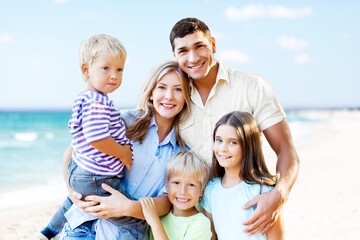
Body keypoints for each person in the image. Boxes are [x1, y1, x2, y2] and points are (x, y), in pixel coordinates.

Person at [169, 17, 300, 235]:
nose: (193, 57)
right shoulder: (174, 98)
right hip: (194, 217)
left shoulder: (252, 87)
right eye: (183, 51)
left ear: (213, 44)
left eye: (199, 46)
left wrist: (279, 194)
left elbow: (286, 150)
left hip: (246, 209)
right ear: (175, 55)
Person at [59, 60, 192, 239]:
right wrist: (73, 193)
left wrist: (128, 207)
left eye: (178, 89)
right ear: (151, 92)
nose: (169, 96)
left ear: (186, 97)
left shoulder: (181, 151)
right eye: (162, 87)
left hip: (126, 234)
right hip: (84, 225)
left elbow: (167, 202)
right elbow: (71, 154)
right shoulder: (123, 121)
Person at [39, 34, 133, 240]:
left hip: (81, 169)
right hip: (97, 177)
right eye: (106, 68)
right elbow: (97, 138)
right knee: (131, 219)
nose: (114, 75)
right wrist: (123, 153)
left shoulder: (85, 97)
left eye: (119, 69)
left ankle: (49, 231)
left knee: (74, 201)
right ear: (86, 70)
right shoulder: (97, 101)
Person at [201, 111, 284, 240]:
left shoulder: (263, 191)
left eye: (233, 142)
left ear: (248, 146)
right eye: (219, 140)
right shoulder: (211, 190)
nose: (223, 148)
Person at [140, 151, 212, 240]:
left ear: (202, 190)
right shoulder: (161, 214)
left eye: (191, 185)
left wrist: (154, 222)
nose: (183, 191)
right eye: (176, 183)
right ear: (167, 185)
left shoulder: (200, 223)